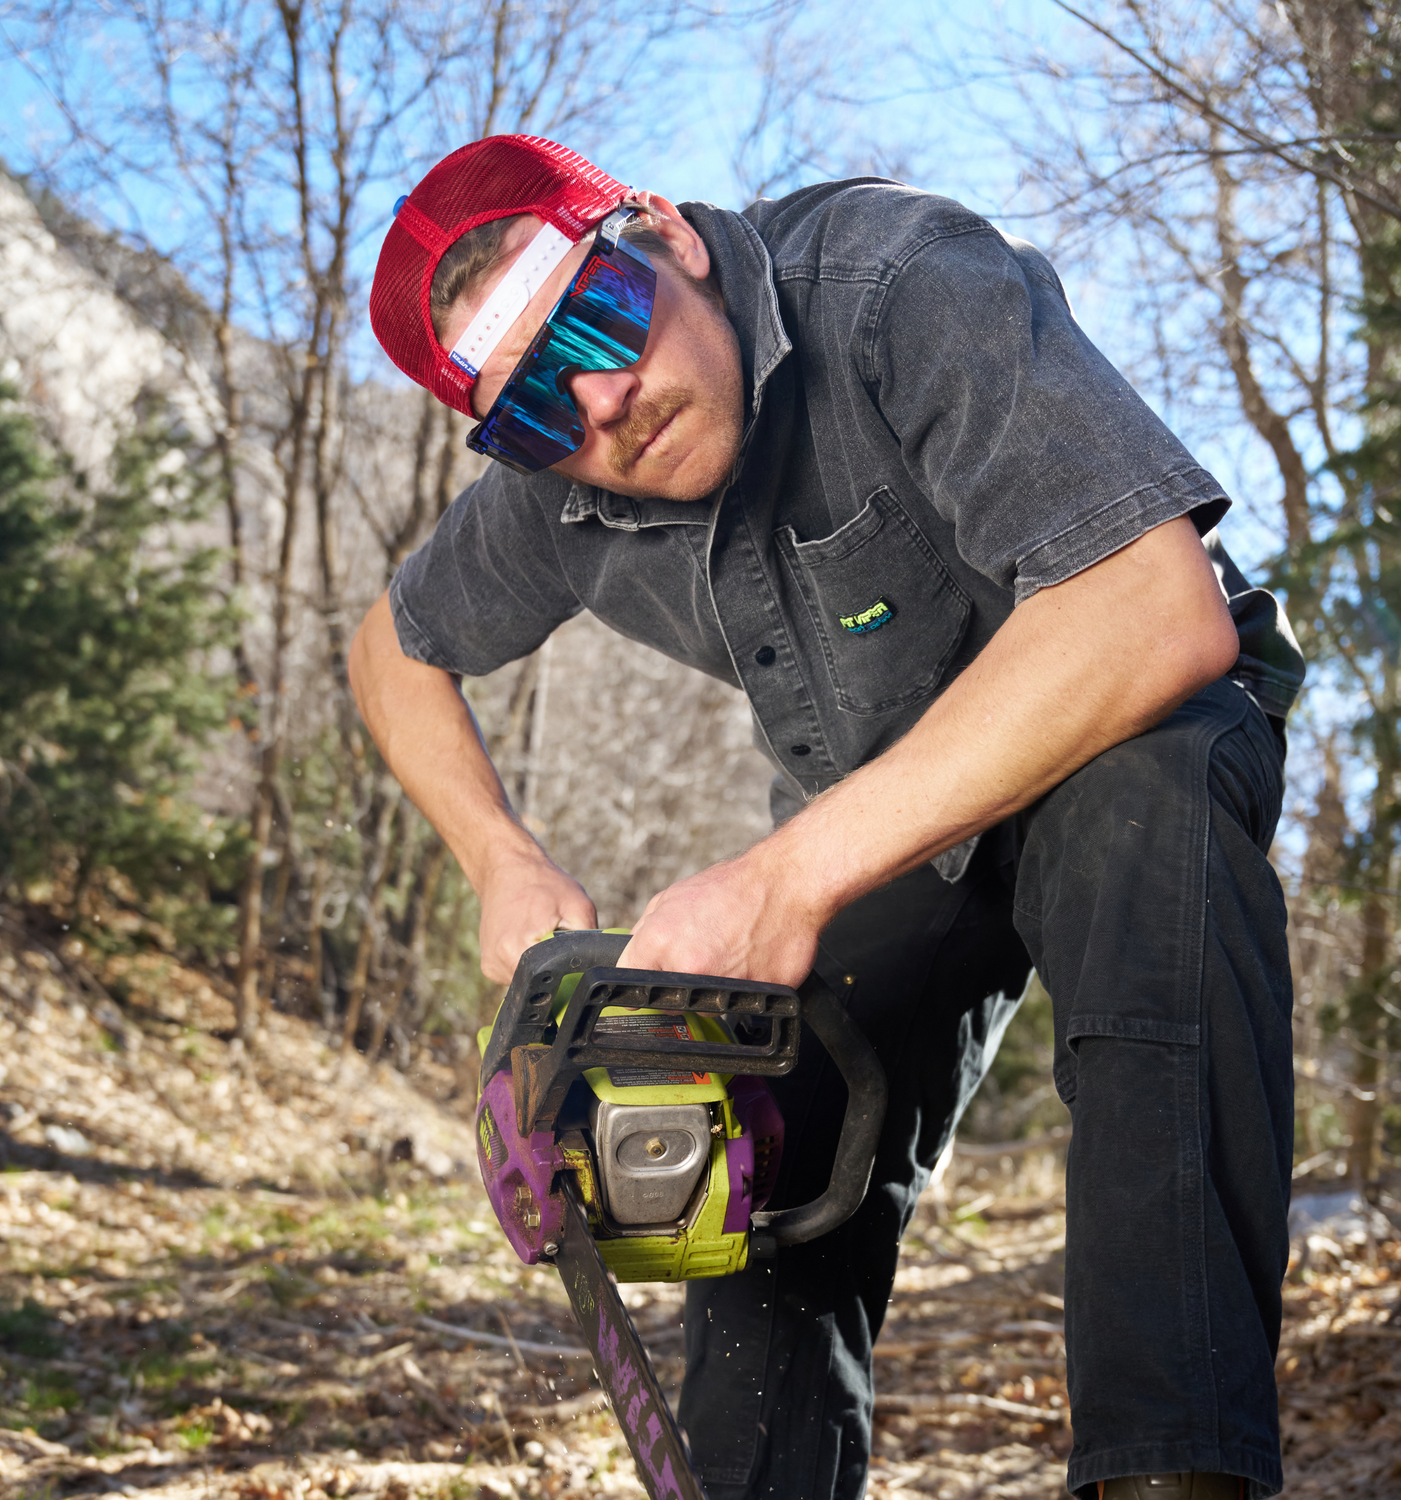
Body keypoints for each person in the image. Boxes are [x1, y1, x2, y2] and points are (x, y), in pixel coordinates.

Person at [352, 134, 1304, 1500]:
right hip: (891, 831)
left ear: (668, 238)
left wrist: (785, 877)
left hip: (1118, 716)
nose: (604, 408)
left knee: (1146, 830)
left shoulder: (892, 276)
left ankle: (1171, 1476)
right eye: (536, 411)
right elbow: (391, 653)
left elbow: (1152, 608)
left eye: (599, 321)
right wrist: (497, 858)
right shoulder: (563, 495)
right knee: (766, 1123)